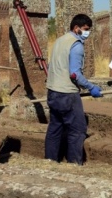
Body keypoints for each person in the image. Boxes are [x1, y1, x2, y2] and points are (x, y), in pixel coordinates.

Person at [44, 14, 103, 165]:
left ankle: (50, 161)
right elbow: (75, 74)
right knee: (77, 129)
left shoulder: (59, 41)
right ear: (76, 28)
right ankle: (74, 164)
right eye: (85, 29)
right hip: (67, 94)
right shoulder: (76, 45)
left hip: (52, 91)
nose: (87, 33)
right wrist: (91, 88)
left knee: (55, 128)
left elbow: (51, 66)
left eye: (89, 30)